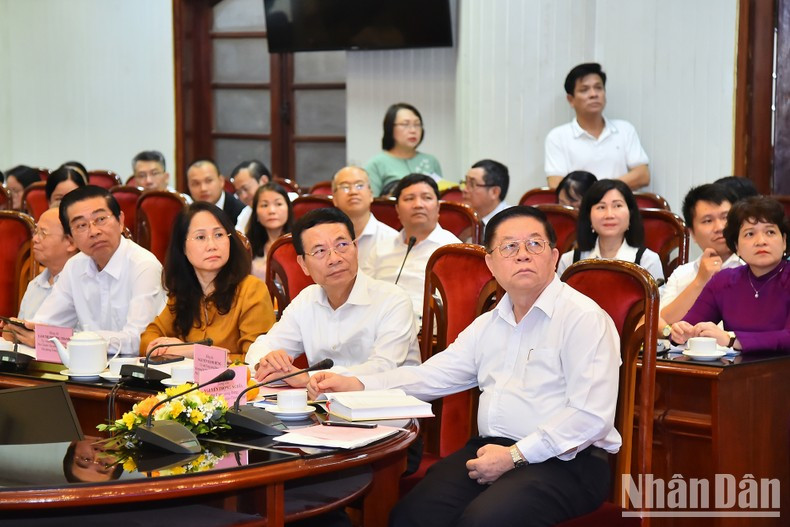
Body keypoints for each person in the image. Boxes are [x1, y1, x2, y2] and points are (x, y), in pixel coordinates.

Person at [310, 206, 621, 527]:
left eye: (534, 244)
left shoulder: (583, 318)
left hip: (567, 461)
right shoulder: (489, 324)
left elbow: (590, 417)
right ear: (490, 262)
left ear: (555, 256)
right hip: (492, 449)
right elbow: (429, 377)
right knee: (411, 516)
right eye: (510, 246)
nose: (523, 255)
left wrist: (515, 456)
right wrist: (357, 384)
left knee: (483, 522)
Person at [245, 207, 420, 386]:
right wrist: (267, 361)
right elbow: (261, 348)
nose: (334, 258)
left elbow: (383, 368)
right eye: (320, 251)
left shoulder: (393, 300)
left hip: (385, 409)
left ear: (356, 248)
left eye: (342, 245)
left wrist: (307, 378)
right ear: (303, 264)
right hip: (322, 409)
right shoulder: (305, 301)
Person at [0, 186, 166, 355]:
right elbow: (47, 322)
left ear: (121, 221)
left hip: (134, 374)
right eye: (81, 225)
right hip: (84, 369)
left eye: (101, 219)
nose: (94, 231)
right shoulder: (74, 266)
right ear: (71, 237)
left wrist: (73, 340)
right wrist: (24, 329)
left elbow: (138, 339)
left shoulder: (144, 266)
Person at [140, 202, 274, 358]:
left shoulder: (252, 290)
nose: (212, 245)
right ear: (183, 247)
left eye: (219, 235)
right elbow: (147, 341)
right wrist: (187, 350)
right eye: (201, 237)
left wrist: (193, 353)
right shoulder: (184, 293)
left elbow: (256, 359)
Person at [670, 196, 789, 352]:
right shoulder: (724, 281)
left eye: (770, 232)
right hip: (735, 373)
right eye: (750, 234)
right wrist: (680, 332)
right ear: (736, 246)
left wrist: (732, 340)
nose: (761, 241)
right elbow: (690, 324)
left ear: (784, 241)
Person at [361, 174, 461, 320]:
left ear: (438, 207)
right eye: (409, 199)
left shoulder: (453, 250)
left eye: (426, 198)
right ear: (397, 209)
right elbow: (363, 292)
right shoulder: (380, 248)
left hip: (426, 335)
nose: (418, 205)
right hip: (377, 327)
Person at [545, 63, 650, 190]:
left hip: (618, 206)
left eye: (598, 88)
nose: (593, 94)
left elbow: (643, 175)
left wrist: (600, 191)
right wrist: (597, 194)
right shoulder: (558, 136)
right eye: (584, 90)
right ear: (570, 99)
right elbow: (556, 184)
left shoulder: (624, 129)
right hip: (577, 208)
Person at [660, 184, 743, 326]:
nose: (720, 228)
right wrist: (700, 280)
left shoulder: (755, 268)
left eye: (726, 217)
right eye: (708, 221)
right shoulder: (682, 274)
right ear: (692, 233)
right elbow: (663, 323)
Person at [556, 179, 664, 281]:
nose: (609, 215)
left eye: (617, 205)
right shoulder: (570, 261)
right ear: (589, 216)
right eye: (601, 207)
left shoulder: (647, 261)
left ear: (630, 213)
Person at [364, 103, 442, 196]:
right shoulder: (376, 164)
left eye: (417, 124)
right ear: (390, 128)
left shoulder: (431, 161)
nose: (413, 130)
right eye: (405, 124)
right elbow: (372, 203)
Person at [16, 209, 79, 320]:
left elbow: (87, 334)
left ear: (71, 243)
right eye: (36, 232)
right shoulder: (34, 285)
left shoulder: (83, 285)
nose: (34, 239)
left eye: (43, 233)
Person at [331, 166, 398, 264]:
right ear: (334, 198)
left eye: (359, 185)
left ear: (371, 194)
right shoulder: (323, 240)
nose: (353, 192)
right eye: (345, 187)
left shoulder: (392, 239)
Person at [247, 182, 293, 281]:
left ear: (288, 209)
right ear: (256, 214)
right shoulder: (248, 245)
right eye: (264, 205)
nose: (272, 210)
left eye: (278, 204)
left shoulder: (299, 243)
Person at [186, 159, 245, 225]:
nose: (203, 188)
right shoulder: (185, 213)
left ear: (221, 181)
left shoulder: (241, 212)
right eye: (196, 183)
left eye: (209, 181)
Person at [461, 159, 511, 226]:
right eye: (465, 182)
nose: (465, 190)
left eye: (472, 184)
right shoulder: (464, 220)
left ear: (494, 192)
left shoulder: (512, 222)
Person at [230, 159, 271, 232]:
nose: (243, 196)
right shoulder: (246, 214)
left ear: (264, 181)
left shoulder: (292, 204)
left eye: (246, 189)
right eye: (239, 193)